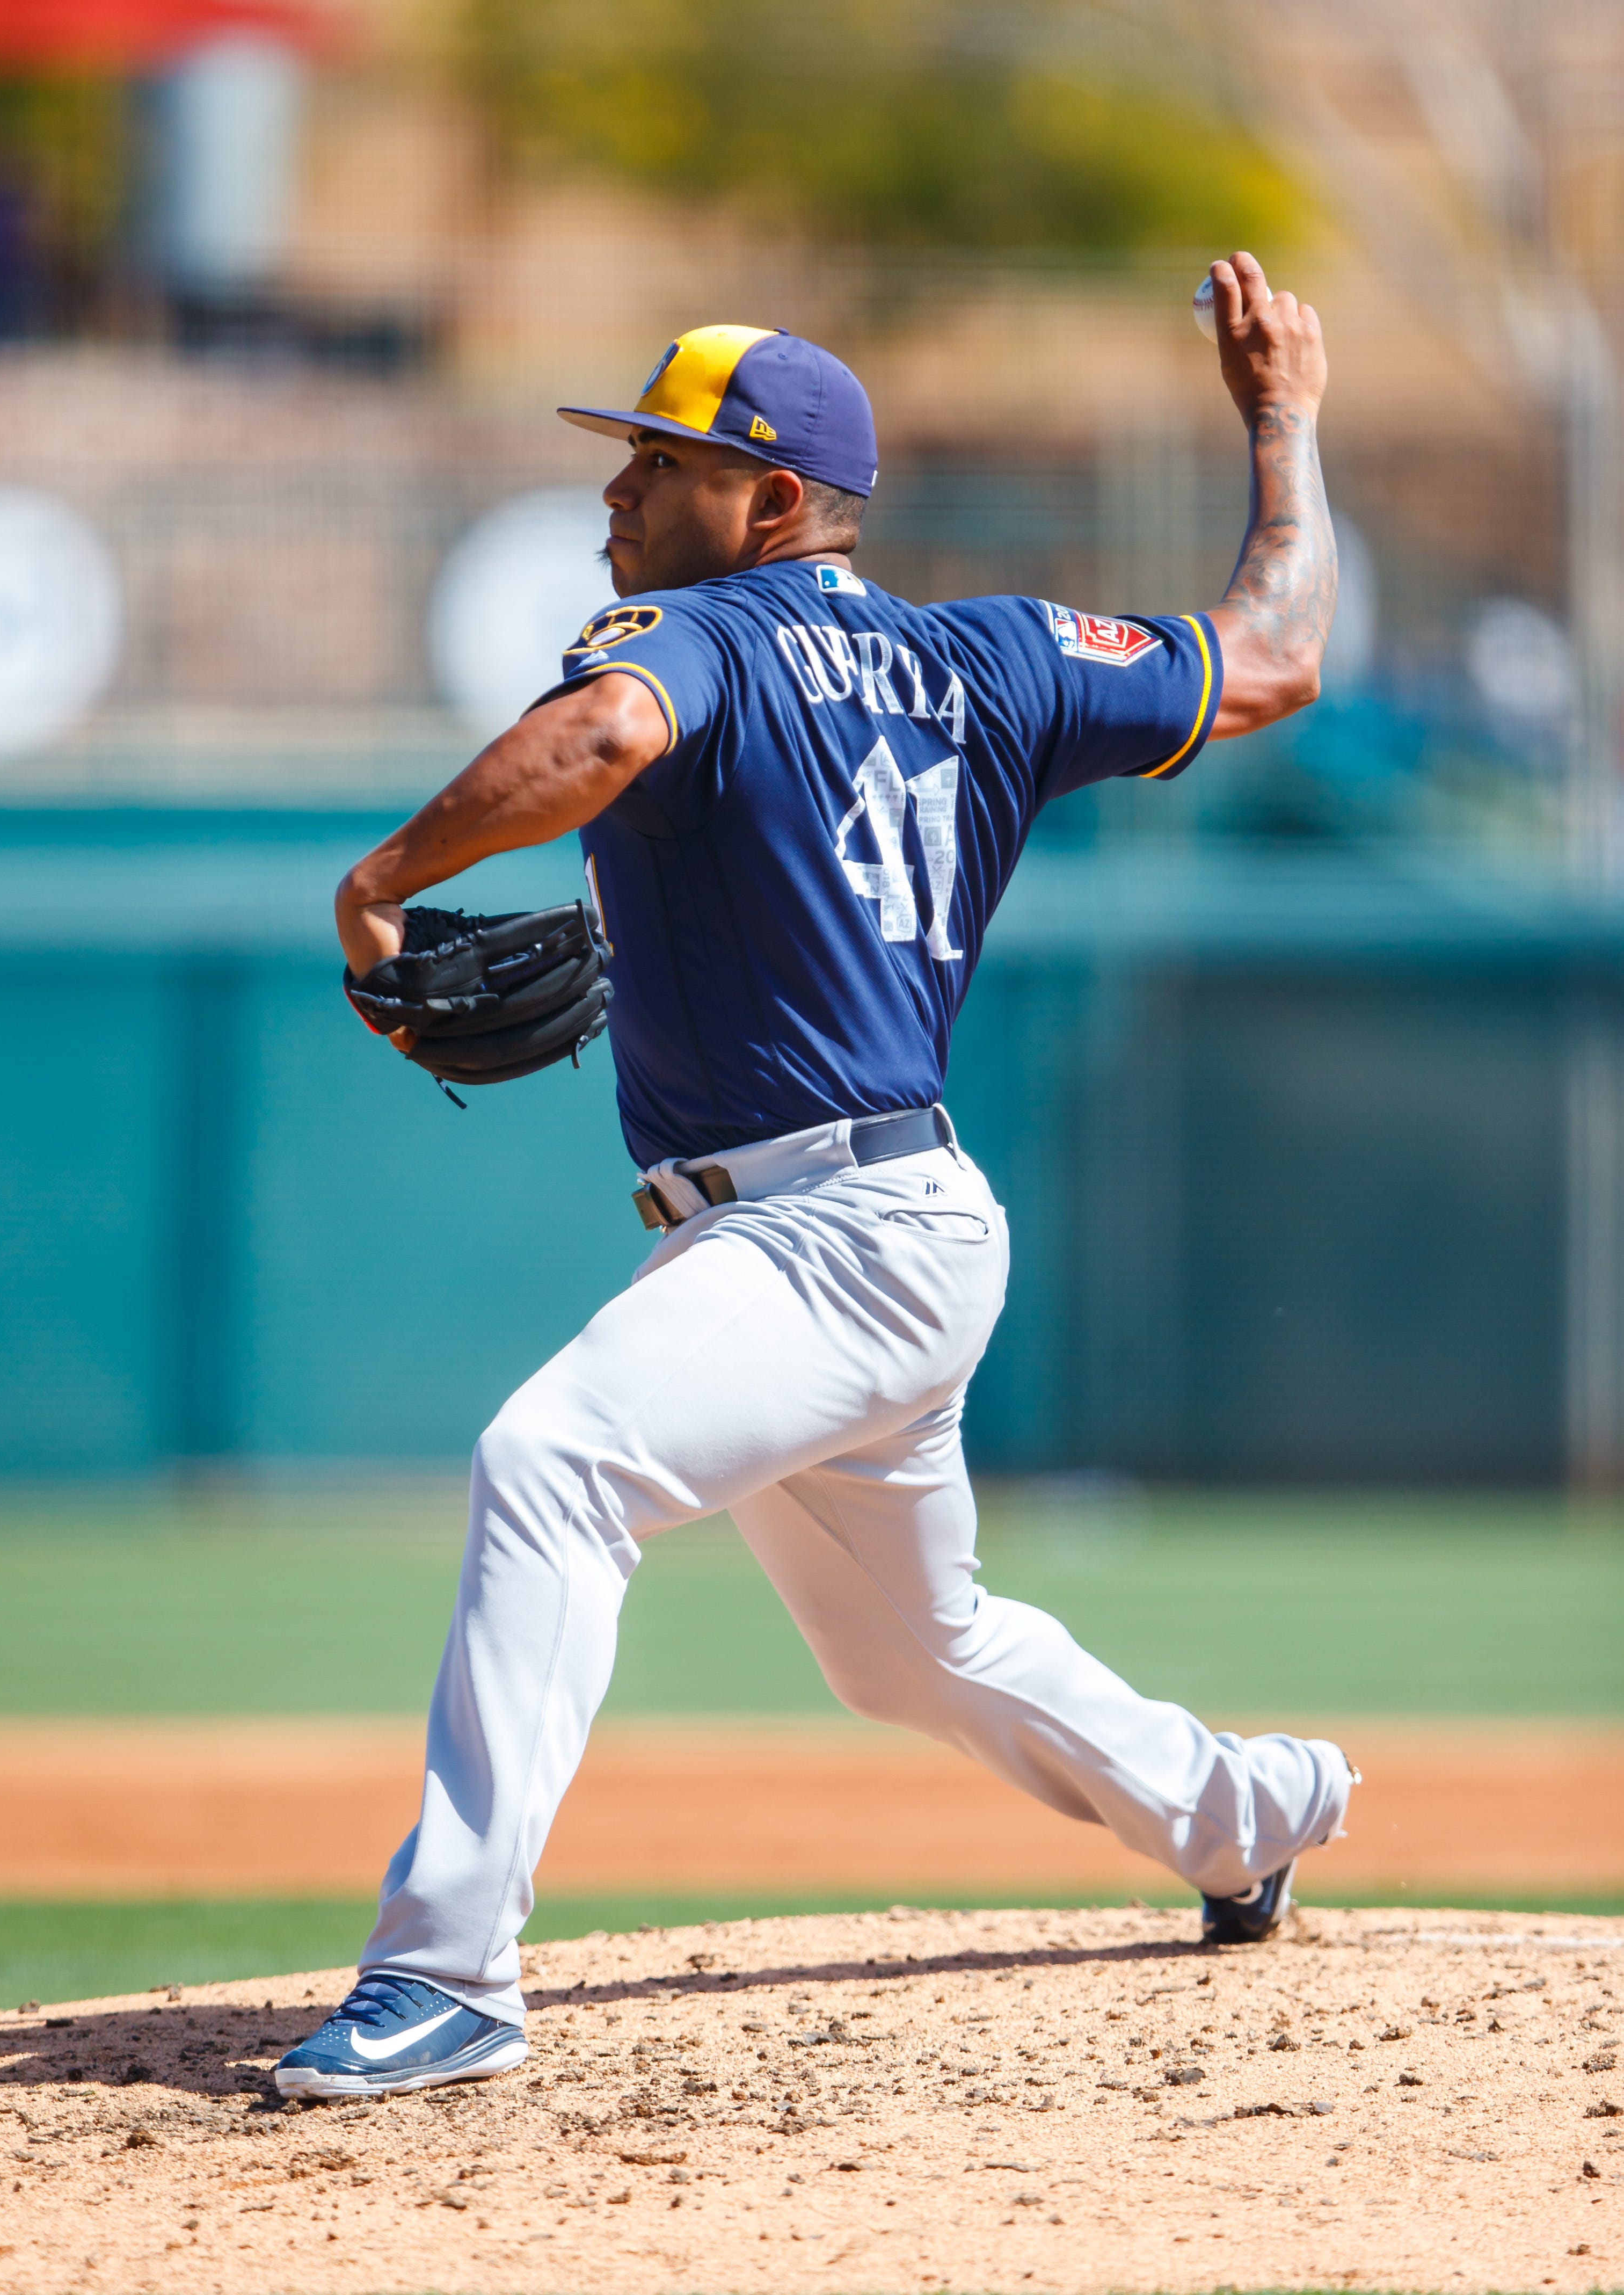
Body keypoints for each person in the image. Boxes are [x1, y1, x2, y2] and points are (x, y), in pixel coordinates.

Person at [278, 251, 1354, 2101]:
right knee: (913, 1652)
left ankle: (448, 1971)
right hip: (882, 1227)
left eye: (662, 461)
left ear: (773, 502)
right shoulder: (997, 655)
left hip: (827, 1238)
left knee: (554, 1463)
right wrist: (1281, 425)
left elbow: (609, 735)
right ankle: (1252, 1808)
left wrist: (378, 884)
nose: (619, 488)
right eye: (624, 455)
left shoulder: (699, 638)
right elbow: (1275, 654)